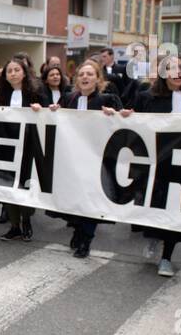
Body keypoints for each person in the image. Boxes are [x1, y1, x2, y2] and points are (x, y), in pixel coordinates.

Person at [129, 54, 181, 277]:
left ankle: (167, 256)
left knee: (177, 210)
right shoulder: (147, 97)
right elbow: (136, 124)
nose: (177, 73)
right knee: (154, 203)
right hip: (157, 162)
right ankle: (153, 237)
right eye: (172, 68)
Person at [48, 59, 126, 258]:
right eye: (82, 74)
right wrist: (53, 111)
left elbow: (121, 125)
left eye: (90, 74)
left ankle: (86, 239)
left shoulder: (108, 99)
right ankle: (77, 230)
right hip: (71, 159)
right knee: (74, 197)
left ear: (98, 79)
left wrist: (114, 115)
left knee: (91, 199)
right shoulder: (68, 98)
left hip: (96, 160)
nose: (85, 77)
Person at [0, 56, 45, 241]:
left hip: (27, 147)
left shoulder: (36, 93)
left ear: (24, 73)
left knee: (24, 186)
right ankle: (14, 225)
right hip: (6, 146)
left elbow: (49, 112)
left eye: (17, 70)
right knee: (7, 186)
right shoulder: (0, 94)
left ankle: (27, 222)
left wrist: (40, 109)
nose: (13, 73)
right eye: (9, 71)